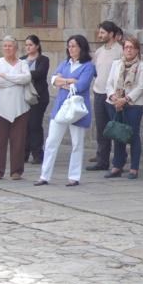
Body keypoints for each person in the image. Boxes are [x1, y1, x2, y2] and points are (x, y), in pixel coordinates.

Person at [36, 35, 96, 187]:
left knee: (77, 143)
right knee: (51, 141)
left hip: (77, 108)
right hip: (61, 106)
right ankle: (44, 175)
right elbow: (53, 80)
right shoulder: (64, 63)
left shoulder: (88, 66)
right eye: (69, 46)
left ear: (81, 48)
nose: (70, 49)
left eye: (74, 46)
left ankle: (74, 176)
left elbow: (80, 86)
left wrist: (63, 82)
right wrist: (69, 81)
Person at [104, 36, 143, 180]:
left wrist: (125, 100)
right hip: (115, 104)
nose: (129, 50)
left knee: (133, 135)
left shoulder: (142, 66)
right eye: (126, 47)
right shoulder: (116, 64)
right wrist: (113, 97)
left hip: (133, 105)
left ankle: (134, 168)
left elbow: (141, 86)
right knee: (118, 134)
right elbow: (109, 83)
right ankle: (117, 165)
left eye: (132, 47)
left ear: (137, 50)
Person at [0, 36, 33, 181]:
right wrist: (15, 80)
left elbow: (26, 78)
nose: (8, 48)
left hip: (20, 107)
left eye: (10, 46)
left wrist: (6, 77)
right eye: (5, 46)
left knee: (18, 140)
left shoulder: (23, 63)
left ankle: (16, 171)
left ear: (16, 48)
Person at [86, 21, 123, 172]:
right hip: (99, 93)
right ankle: (102, 161)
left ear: (112, 34)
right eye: (99, 32)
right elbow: (95, 71)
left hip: (113, 96)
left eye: (102, 33)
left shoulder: (120, 51)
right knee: (102, 129)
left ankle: (119, 161)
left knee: (116, 129)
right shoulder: (99, 51)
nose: (100, 35)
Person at [21, 35, 50, 165]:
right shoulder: (21, 60)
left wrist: (24, 75)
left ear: (37, 46)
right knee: (24, 125)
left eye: (30, 45)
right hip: (23, 96)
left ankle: (38, 154)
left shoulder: (43, 59)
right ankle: (24, 154)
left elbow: (40, 73)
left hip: (38, 97)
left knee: (34, 124)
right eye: (26, 45)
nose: (28, 47)